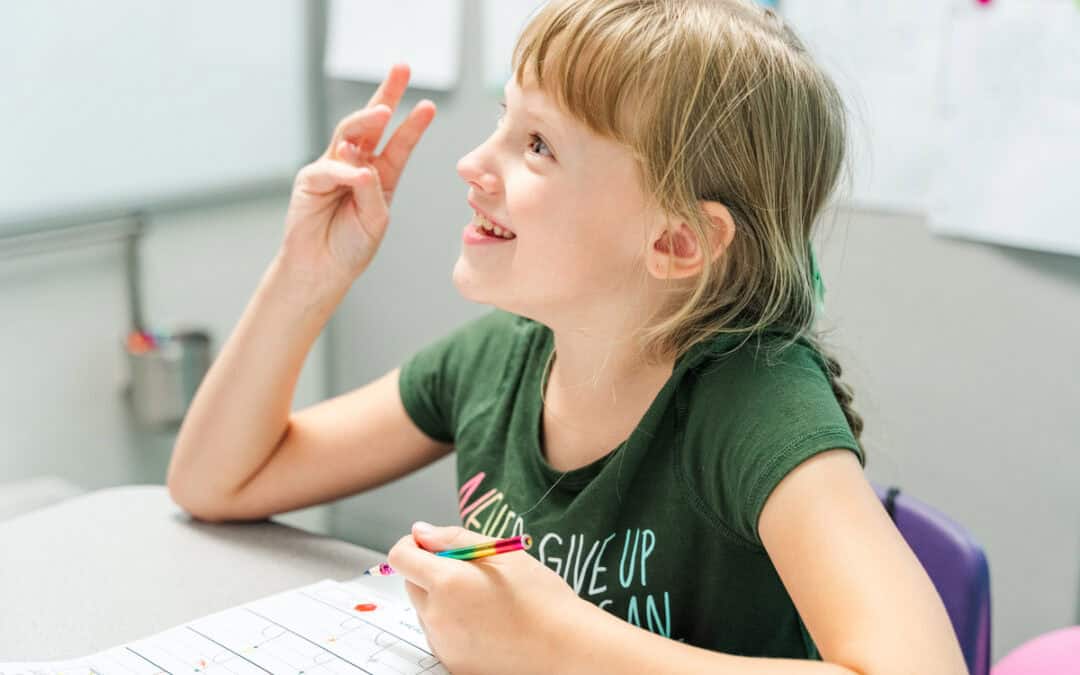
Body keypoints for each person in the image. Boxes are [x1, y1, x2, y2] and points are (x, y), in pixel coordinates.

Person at [167, 1, 968, 672]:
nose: (474, 163)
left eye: (538, 145)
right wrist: (307, 277)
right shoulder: (498, 359)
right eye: (503, 121)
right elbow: (216, 482)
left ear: (677, 241)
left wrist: (555, 640)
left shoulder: (755, 402)